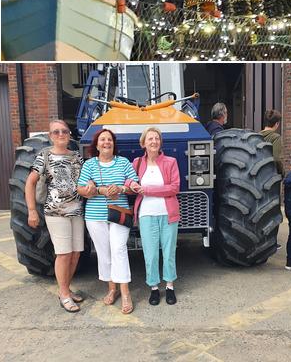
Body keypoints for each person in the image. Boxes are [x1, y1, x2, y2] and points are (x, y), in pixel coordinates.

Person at [24, 120, 85, 312]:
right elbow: (30, 183)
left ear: (69, 135)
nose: (61, 134)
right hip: (56, 213)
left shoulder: (76, 157)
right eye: (56, 132)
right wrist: (32, 210)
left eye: (64, 131)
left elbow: (84, 180)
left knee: (75, 254)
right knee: (64, 254)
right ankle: (64, 294)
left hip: (76, 212)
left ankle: (66, 289)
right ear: (50, 136)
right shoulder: (45, 156)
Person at [77, 128, 138, 314]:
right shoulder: (89, 164)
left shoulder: (123, 162)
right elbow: (80, 189)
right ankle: (112, 289)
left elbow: (135, 185)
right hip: (95, 216)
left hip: (119, 214)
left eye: (109, 139)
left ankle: (125, 292)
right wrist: (97, 190)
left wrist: (120, 189)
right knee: (104, 253)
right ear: (96, 145)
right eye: (102, 140)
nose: (106, 142)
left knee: (119, 249)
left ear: (113, 144)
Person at [128, 127, 181, 305]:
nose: (154, 141)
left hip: (168, 214)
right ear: (143, 143)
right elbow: (127, 179)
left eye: (157, 138)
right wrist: (131, 184)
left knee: (169, 252)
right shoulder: (137, 163)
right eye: (150, 138)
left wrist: (148, 190)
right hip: (146, 214)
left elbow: (174, 188)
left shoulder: (170, 162)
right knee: (150, 254)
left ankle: (170, 286)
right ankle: (154, 288)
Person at [260, 109, 284, 177]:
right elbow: (276, 159)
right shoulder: (276, 137)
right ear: (277, 124)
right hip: (270, 174)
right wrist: (282, 172)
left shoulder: (256, 136)